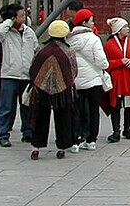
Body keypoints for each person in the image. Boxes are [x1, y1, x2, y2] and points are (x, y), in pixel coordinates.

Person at [28, 20, 78, 160]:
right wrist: (64, 82)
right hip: (63, 90)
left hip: (41, 90)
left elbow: (33, 68)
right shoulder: (68, 51)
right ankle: (62, 147)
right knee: (63, 117)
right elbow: (74, 71)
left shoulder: (40, 49)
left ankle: (36, 147)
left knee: (40, 117)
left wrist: (40, 81)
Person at [0, 3, 39, 147]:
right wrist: (9, 21)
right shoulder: (5, 33)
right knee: (7, 106)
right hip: (10, 74)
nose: (25, 18)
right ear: (13, 18)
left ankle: (28, 132)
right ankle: (4, 133)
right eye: (21, 15)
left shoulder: (29, 32)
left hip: (26, 75)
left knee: (27, 106)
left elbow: (36, 48)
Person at [67, 8, 109, 151]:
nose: (93, 23)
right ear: (84, 22)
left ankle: (75, 141)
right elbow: (103, 62)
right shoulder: (93, 39)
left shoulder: (69, 39)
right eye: (91, 20)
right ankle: (91, 140)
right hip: (94, 80)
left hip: (76, 80)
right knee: (93, 111)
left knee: (76, 111)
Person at [104, 17, 130, 142]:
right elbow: (106, 63)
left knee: (129, 104)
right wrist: (119, 62)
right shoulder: (109, 45)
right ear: (118, 30)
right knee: (115, 105)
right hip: (117, 78)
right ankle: (116, 131)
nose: (128, 29)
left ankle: (127, 128)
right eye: (125, 27)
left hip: (129, 77)